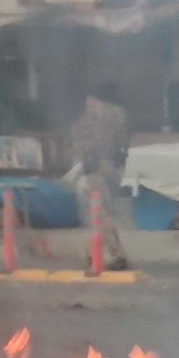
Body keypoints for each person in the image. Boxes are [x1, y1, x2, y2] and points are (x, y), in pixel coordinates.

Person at [71, 83, 130, 270]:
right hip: (113, 168)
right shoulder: (119, 114)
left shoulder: (89, 119)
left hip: (96, 169)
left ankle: (115, 254)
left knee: (100, 212)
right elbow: (121, 141)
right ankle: (93, 252)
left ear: (91, 99)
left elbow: (85, 146)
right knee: (95, 213)